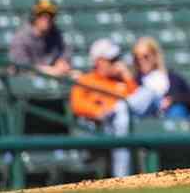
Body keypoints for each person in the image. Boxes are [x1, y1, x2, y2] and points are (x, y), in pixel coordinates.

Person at [70, 39, 164, 177]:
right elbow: (77, 104)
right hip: (102, 126)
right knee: (123, 118)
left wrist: (127, 78)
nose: (116, 63)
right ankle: (122, 177)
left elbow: (139, 102)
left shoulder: (120, 81)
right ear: (98, 61)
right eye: (111, 60)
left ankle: (119, 109)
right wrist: (99, 111)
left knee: (148, 94)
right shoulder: (86, 80)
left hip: (128, 123)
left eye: (116, 59)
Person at [133, 37, 190, 119]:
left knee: (177, 110)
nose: (141, 61)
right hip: (147, 118)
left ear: (155, 56)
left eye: (146, 57)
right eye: (137, 58)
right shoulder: (135, 81)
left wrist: (172, 100)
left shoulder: (173, 78)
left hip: (170, 115)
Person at [9, 0, 72, 77]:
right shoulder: (22, 37)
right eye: (41, 15)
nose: (46, 19)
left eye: (50, 15)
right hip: (26, 81)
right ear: (34, 16)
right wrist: (49, 71)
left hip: (52, 79)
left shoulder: (57, 35)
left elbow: (65, 55)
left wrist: (62, 62)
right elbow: (21, 67)